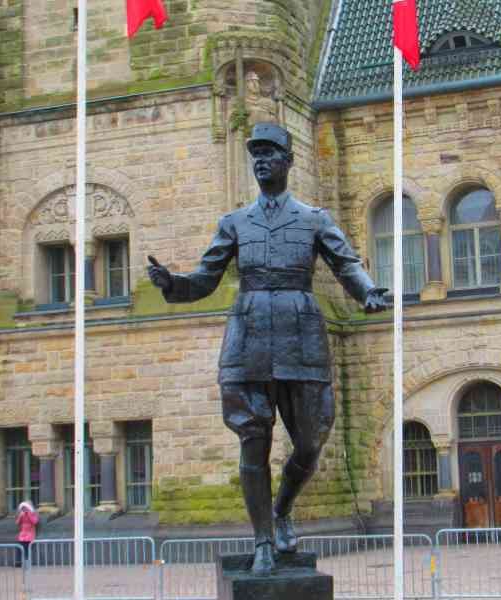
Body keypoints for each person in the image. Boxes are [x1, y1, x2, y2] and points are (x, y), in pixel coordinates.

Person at [148, 123, 388, 575]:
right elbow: (205, 279)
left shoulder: (314, 218)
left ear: (288, 161)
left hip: (301, 333)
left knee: (312, 440)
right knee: (252, 441)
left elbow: (347, 264)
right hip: (249, 333)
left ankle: (280, 511)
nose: (261, 160)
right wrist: (173, 284)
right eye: (255, 153)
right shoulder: (234, 223)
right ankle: (262, 540)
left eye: (270, 153)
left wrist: (369, 293)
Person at [15, 500, 38, 567]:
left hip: (29, 534)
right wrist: (20, 516)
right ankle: (18, 561)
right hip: (22, 535)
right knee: (19, 548)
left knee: (27, 549)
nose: (24, 509)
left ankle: (27, 562)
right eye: (23, 508)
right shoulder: (22, 514)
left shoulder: (33, 513)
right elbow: (17, 523)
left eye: (25, 508)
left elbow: (35, 522)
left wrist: (29, 514)